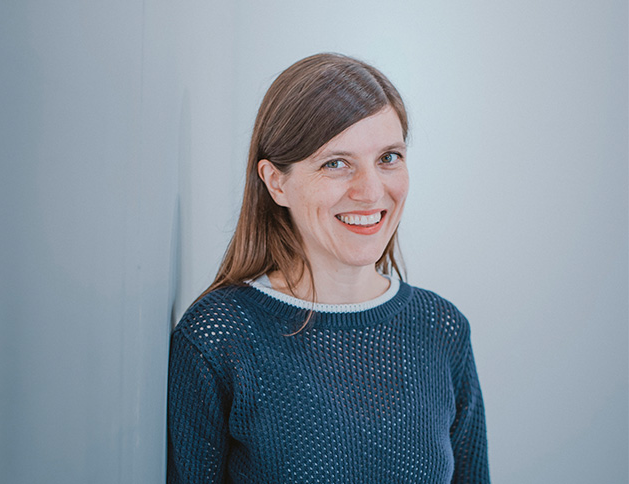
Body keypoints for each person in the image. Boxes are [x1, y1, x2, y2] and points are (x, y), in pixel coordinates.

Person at [167, 53, 489, 483]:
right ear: (276, 182)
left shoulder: (441, 329)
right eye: (336, 163)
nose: (371, 191)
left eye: (389, 157)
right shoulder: (219, 338)